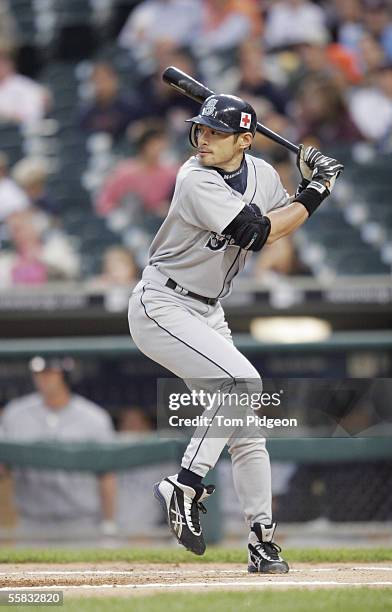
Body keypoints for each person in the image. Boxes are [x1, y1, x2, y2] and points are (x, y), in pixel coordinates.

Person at [127, 93, 343, 572]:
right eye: (201, 130)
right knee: (243, 384)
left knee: (247, 430)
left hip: (208, 308)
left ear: (246, 140)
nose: (203, 138)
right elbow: (258, 234)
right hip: (163, 302)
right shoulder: (193, 178)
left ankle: (262, 539)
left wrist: (307, 185)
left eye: (217, 133)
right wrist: (319, 190)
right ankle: (185, 482)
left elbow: (283, 224)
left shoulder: (263, 174)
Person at [0, 356, 117, 537]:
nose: (43, 379)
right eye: (38, 373)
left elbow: (106, 475)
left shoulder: (93, 417)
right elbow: (4, 468)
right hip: (31, 521)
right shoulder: (15, 414)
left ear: (64, 375)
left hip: (81, 520)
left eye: (50, 373)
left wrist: (109, 521)